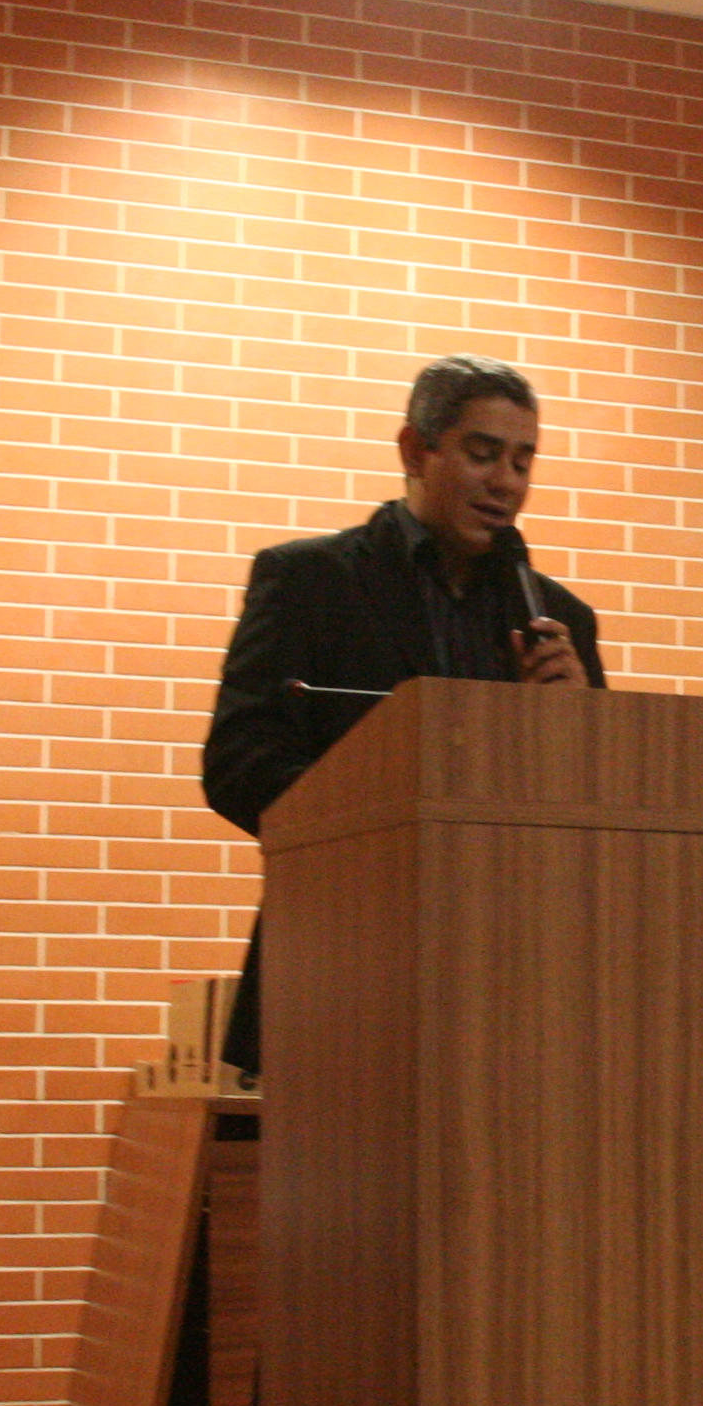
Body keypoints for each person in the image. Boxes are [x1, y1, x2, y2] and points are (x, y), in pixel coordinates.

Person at [201, 353, 606, 1073]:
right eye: (483, 454)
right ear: (415, 451)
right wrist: (387, 823)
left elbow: (600, 822)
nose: (507, 483)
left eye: (523, 462)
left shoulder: (556, 620)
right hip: (340, 963)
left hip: (510, 978)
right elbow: (238, 765)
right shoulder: (309, 583)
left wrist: (580, 729)